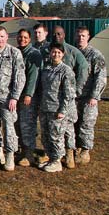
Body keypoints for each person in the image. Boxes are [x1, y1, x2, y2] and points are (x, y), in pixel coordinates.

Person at [0, 27, 25, 171]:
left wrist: (15, 97)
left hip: (7, 98)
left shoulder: (14, 53)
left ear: (7, 37)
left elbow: (20, 77)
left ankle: (9, 155)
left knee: (8, 127)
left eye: (2, 36)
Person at [52, 25, 88, 167]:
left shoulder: (73, 51)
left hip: (67, 98)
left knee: (68, 128)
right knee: (53, 128)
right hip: (53, 99)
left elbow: (84, 68)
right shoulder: (48, 50)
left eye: (59, 34)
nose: (57, 36)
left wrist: (76, 90)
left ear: (64, 35)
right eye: (54, 34)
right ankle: (54, 153)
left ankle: (69, 154)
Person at [38, 42, 76, 173]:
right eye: (54, 52)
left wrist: (63, 111)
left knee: (56, 136)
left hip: (57, 110)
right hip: (45, 108)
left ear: (63, 55)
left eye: (59, 53)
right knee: (46, 136)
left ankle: (57, 161)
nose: (56, 55)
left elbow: (69, 94)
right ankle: (51, 158)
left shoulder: (66, 71)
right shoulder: (47, 69)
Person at [74, 26, 107, 165]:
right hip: (75, 96)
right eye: (79, 35)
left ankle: (85, 151)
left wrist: (95, 96)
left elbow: (101, 76)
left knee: (86, 124)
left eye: (83, 35)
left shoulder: (95, 55)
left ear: (88, 37)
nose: (81, 38)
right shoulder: (73, 52)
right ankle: (76, 148)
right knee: (74, 123)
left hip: (88, 97)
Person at [15, 28, 42, 167]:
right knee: (18, 124)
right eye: (20, 37)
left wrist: (29, 94)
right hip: (16, 95)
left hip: (27, 96)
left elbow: (34, 76)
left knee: (27, 125)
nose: (22, 39)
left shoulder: (34, 54)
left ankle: (29, 153)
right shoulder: (17, 52)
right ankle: (22, 150)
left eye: (25, 37)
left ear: (30, 39)